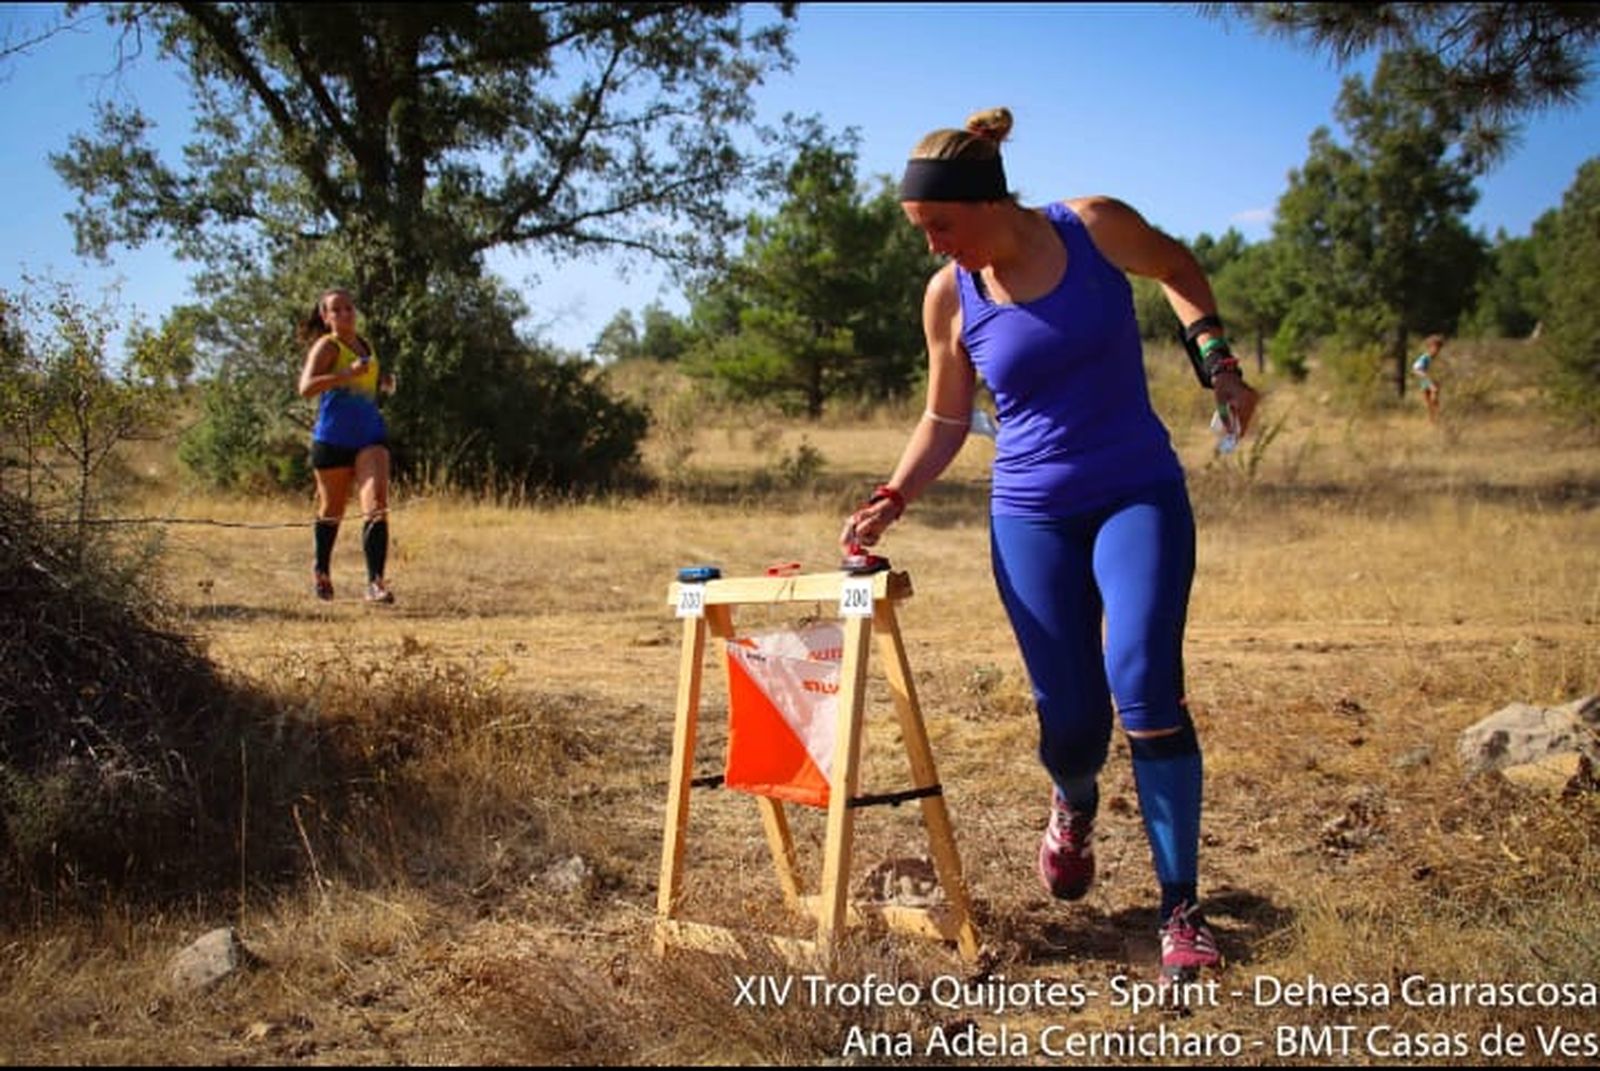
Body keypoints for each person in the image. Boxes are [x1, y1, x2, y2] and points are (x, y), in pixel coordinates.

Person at [840, 107, 1258, 983]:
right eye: (922, 232)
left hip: (1136, 492)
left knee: (1144, 684)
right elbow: (946, 417)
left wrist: (1216, 360)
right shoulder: (950, 295)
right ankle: (1072, 801)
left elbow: (1178, 266)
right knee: (1071, 722)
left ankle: (1180, 907)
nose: (933, 247)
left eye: (941, 227)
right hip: (1029, 515)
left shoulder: (1093, 228)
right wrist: (891, 496)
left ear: (987, 202)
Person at [296, 287, 397, 604]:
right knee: (332, 511)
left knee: (377, 505)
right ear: (325, 317)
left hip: (369, 437)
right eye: (336, 310)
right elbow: (306, 388)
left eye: (349, 308)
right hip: (333, 440)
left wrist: (382, 381)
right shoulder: (328, 346)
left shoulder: (365, 344)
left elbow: (365, 380)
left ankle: (375, 584)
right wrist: (344, 374)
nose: (344, 314)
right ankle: (321, 570)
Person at [1412, 334, 1443, 423]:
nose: (1437, 350)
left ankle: (1435, 422)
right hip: (1427, 383)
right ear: (1430, 347)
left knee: (1434, 404)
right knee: (1431, 403)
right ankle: (1433, 422)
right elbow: (1416, 369)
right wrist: (1428, 381)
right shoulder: (1425, 358)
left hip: (1433, 382)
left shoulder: (1436, 359)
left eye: (1439, 348)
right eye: (1435, 348)